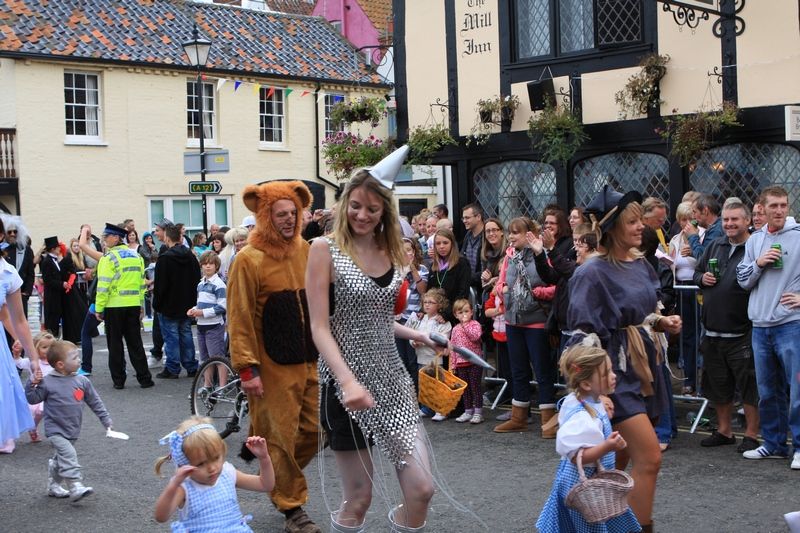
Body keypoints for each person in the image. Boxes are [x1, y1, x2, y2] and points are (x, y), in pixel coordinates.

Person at [307, 146, 445, 532]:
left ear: (385, 210)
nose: (362, 215)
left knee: (422, 490)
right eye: (355, 205)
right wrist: (348, 381)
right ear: (344, 203)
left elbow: (379, 319)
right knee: (359, 500)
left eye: (372, 208)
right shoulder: (324, 250)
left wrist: (419, 333)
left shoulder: (393, 253)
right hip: (344, 386)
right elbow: (320, 326)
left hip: (392, 382)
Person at [567, 187, 682, 532]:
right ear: (612, 227)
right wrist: (594, 391)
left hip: (643, 366)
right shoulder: (592, 272)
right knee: (650, 457)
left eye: (640, 221)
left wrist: (661, 322)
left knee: (617, 462)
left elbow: (644, 313)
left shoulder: (641, 262)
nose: (640, 227)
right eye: (632, 221)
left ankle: (606, 525)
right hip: (613, 373)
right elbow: (583, 335)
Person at [227, 180, 322, 533]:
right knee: (281, 437)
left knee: (316, 431)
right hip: (268, 368)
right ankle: (292, 507)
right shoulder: (247, 259)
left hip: (307, 359)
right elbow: (238, 317)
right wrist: (247, 369)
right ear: (265, 215)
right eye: (280, 214)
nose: (288, 219)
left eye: (293, 213)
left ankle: (273, 468)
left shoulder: (306, 250)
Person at [536, 344, 641, 533]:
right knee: (588, 526)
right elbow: (580, 457)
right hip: (583, 485)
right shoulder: (583, 418)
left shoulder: (584, 400)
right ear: (586, 384)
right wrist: (608, 446)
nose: (613, 375)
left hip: (587, 481)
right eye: (606, 373)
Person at [736, 186, 800, 467]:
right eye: (773, 205)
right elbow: (742, 279)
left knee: (796, 391)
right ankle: (773, 444)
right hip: (760, 326)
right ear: (761, 207)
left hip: (790, 324)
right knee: (768, 390)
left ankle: (799, 447)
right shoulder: (755, 241)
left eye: (783, 205)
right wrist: (759, 263)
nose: (779, 210)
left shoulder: (798, 237)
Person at [693, 199, 760, 453]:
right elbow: (697, 274)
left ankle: (752, 435)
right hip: (712, 329)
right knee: (717, 384)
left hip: (742, 330)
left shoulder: (755, 247)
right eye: (726, 220)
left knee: (748, 386)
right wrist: (703, 278)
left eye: (735, 219)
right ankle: (725, 431)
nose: (730, 224)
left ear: (747, 221)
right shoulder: (715, 245)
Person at [25, 340, 113, 500]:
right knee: (69, 454)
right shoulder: (47, 382)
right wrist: (32, 383)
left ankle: (53, 485)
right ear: (60, 364)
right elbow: (32, 399)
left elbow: (95, 402)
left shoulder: (82, 381)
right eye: (74, 358)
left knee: (61, 460)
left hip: (72, 430)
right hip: (55, 431)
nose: (79, 360)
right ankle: (75, 485)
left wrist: (105, 419)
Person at [154, 417, 275, 532]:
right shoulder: (185, 488)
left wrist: (264, 459)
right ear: (184, 465)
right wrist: (174, 485)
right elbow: (161, 517)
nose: (212, 468)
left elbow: (265, 485)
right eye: (201, 464)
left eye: (216, 458)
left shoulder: (227, 473)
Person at [493, 217, 556, 436]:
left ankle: (549, 421)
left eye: (516, 233)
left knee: (542, 370)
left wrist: (539, 293)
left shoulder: (541, 254)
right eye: (510, 232)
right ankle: (518, 416)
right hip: (513, 318)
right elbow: (500, 283)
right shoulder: (510, 256)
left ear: (529, 234)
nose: (511, 237)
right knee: (518, 369)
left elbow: (555, 284)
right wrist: (502, 288)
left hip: (536, 319)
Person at [95, 223, 154, 389]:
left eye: (106, 237)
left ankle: (119, 380)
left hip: (114, 306)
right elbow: (141, 283)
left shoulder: (108, 259)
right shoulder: (136, 257)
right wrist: (141, 304)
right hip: (133, 305)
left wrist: (99, 308)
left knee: (115, 344)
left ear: (115, 238)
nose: (104, 240)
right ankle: (145, 378)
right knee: (135, 343)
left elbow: (103, 286)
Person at [153, 223, 201, 380]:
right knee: (186, 334)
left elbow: (161, 286)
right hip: (187, 302)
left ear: (167, 237)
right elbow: (196, 279)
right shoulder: (191, 257)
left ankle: (173, 368)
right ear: (180, 237)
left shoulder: (165, 259)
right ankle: (191, 365)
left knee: (171, 337)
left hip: (169, 304)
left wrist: (157, 304)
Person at [669, 201, 702, 395]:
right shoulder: (675, 238)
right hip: (682, 290)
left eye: (690, 219)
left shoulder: (702, 235)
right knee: (687, 336)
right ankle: (689, 380)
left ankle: (703, 383)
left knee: (702, 336)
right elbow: (673, 265)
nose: (686, 223)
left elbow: (706, 260)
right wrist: (669, 259)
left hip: (699, 289)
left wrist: (694, 252)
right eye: (683, 219)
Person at [405, 288, 452, 420]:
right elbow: (411, 333)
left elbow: (443, 338)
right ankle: (427, 408)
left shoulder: (442, 321)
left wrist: (424, 341)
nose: (427, 304)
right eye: (425, 302)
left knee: (437, 385)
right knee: (425, 385)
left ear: (439, 305)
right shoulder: (419, 319)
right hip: (421, 357)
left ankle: (441, 410)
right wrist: (413, 342)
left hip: (435, 358)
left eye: (431, 302)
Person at [187, 251, 227, 389]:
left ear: (217, 266)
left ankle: (222, 386)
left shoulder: (219, 284)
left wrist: (201, 312)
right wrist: (193, 310)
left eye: (211, 264)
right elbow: (201, 303)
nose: (207, 266)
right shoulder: (200, 284)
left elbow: (222, 307)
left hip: (214, 325)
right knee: (205, 358)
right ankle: (208, 384)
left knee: (217, 358)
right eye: (204, 264)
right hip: (201, 325)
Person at [395, 237, 429, 390]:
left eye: (408, 250)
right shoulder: (394, 269)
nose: (405, 253)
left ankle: (416, 394)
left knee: (412, 360)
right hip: (397, 320)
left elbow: (423, 290)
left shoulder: (422, 269)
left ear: (414, 252)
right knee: (399, 359)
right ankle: (403, 393)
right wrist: (401, 272)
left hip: (413, 319)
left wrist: (412, 269)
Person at [13, 332, 56, 443]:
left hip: (52, 395)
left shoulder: (56, 362)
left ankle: (56, 435)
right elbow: (19, 363)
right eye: (44, 347)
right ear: (36, 349)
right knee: (37, 413)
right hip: (35, 394)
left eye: (51, 347)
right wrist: (16, 355)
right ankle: (32, 428)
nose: (48, 350)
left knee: (53, 415)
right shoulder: (33, 362)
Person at [449, 298, 485, 424]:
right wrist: (453, 364)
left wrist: (465, 325)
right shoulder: (455, 329)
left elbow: (475, 337)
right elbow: (453, 347)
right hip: (460, 363)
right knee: (465, 388)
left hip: (475, 361)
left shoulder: (475, 325)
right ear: (455, 314)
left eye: (466, 311)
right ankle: (468, 410)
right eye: (460, 312)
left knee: (475, 387)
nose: (464, 314)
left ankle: (478, 412)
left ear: (471, 312)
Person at [427, 228, 471, 323]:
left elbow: (462, 293)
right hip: (435, 313)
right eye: (438, 244)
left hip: (453, 314)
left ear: (452, 244)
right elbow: (429, 291)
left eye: (445, 243)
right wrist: (423, 310)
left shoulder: (461, 263)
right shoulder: (433, 266)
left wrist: (446, 314)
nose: (441, 246)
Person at [1, 217, 35, 317]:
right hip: (3, 297)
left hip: (20, 296)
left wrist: (26, 293)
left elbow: (30, 274)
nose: (12, 234)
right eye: (9, 232)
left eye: (15, 232)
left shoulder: (26, 250)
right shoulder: (2, 250)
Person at [684, 193, 723, 259]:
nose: (693, 216)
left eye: (695, 212)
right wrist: (693, 252)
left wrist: (692, 236)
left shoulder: (716, 230)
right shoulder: (715, 227)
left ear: (705, 211)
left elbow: (703, 258)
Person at [40, 236, 64, 336]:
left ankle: (55, 337)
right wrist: (61, 284)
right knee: (51, 319)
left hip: (57, 294)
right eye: (58, 247)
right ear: (53, 249)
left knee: (56, 317)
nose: (60, 249)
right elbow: (48, 280)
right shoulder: (47, 262)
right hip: (51, 295)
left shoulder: (54, 260)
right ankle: (51, 338)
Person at [460, 203, 485, 295]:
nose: (464, 221)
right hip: (469, 286)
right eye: (463, 218)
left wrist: (466, 278)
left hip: (482, 288)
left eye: (467, 218)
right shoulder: (468, 236)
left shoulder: (488, 237)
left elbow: (487, 267)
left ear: (478, 217)